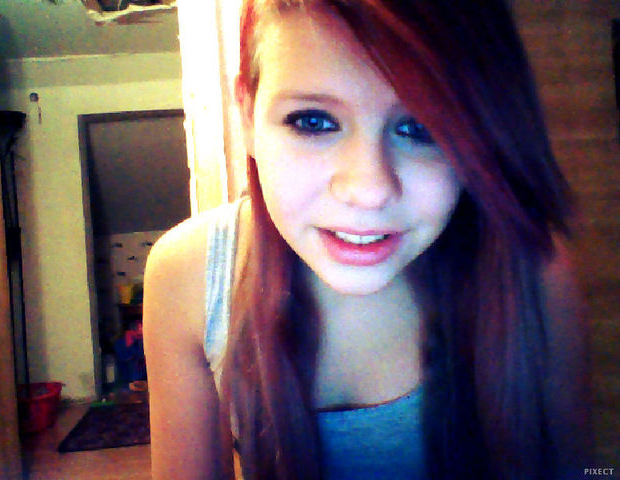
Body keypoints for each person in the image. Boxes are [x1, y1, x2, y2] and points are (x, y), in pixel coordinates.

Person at [144, 0, 592, 478]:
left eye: (421, 128)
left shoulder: (533, 272)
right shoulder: (190, 277)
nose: (369, 189)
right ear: (249, 117)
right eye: (313, 121)